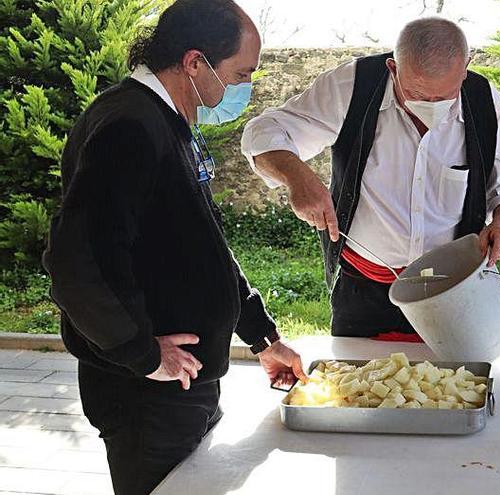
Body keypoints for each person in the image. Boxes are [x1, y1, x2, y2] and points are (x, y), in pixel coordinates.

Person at [42, 1, 307, 493]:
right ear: (194, 62)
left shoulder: (168, 120)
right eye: (241, 73)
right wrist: (141, 353)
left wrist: (262, 336)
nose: (246, 86)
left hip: (184, 385)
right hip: (147, 395)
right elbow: (76, 260)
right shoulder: (129, 126)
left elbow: (200, 245)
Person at [240, 17, 500, 340]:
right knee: (355, 386)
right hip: (363, 289)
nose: (432, 107)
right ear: (394, 68)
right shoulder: (353, 86)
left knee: (450, 386)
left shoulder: (487, 105)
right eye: (418, 94)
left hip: (452, 292)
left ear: (466, 67)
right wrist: (297, 177)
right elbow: (262, 133)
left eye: (445, 97)